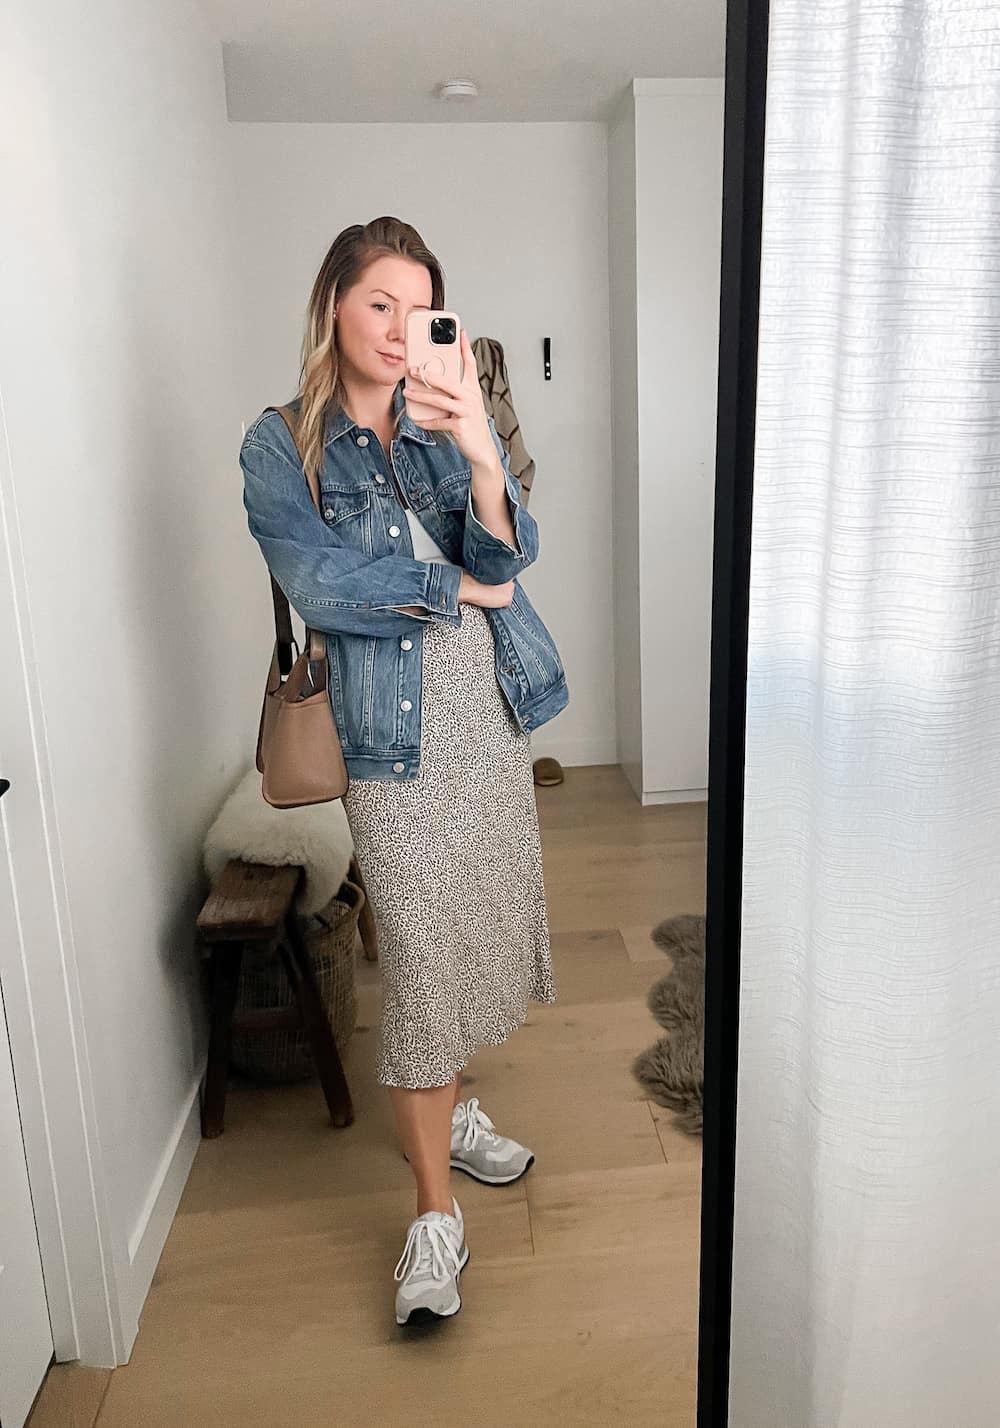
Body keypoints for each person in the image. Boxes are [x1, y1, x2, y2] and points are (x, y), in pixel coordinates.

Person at [239, 217, 569, 1327]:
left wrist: (477, 444)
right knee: (422, 954)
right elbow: (318, 583)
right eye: (376, 301)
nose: (395, 328)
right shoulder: (279, 444)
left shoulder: (440, 424)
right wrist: (451, 594)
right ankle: (437, 1215)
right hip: (388, 734)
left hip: (488, 707)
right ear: (333, 301)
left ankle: (454, 1111)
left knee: (470, 923)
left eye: (416, 306)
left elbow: (510, 557)